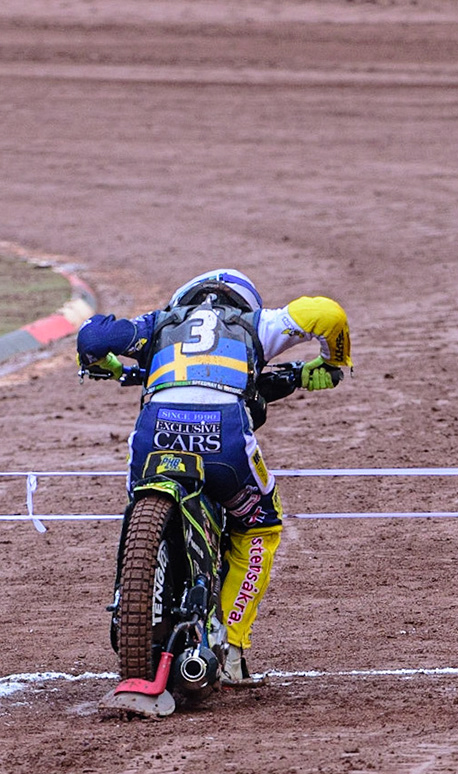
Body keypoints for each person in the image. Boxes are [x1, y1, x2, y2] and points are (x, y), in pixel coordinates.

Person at [75, 269, 351, 686]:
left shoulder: (158, 325)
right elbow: (326, 313)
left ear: (181, 300)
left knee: (136, 510)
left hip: (155, 436)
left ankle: (127, 593)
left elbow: (93, 339)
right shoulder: (259, 323)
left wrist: (107, 364)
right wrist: (331, 362)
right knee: (260, 525)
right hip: (224, 443)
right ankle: (234, 647)